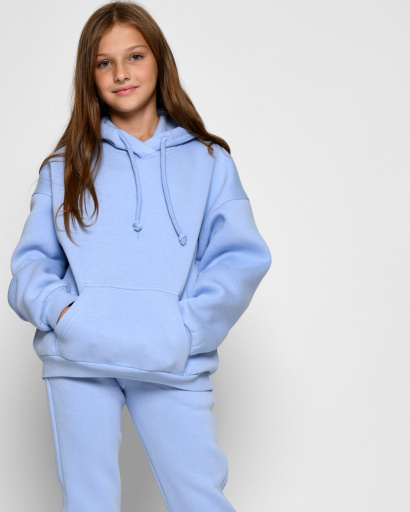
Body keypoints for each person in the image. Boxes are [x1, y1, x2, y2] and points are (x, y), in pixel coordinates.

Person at [7, 1, 271, 511]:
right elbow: (31, 266)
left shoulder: (209, 161)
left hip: (172, 359)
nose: (121, 73)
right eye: (104, 62)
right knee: (90, 503)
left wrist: (186, 330)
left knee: (199, 499)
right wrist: (66, 314)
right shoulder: (65, 165)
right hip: (80, 359)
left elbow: (239, 259)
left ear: (159, 61)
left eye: (135, 56)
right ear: (89, 75)